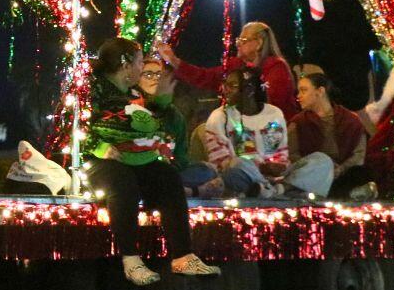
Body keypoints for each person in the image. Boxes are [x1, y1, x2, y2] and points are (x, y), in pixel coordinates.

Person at [84, 37, 220, 286]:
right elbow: (77, 125)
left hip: (135, 159)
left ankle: (183, 255)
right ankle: (131, 260)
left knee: (166, 176)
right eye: (138, 62)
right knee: (122, 183)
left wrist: (164, 99)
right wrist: (100, 146)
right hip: (100, 161)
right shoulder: (94, 89)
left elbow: (151, 119)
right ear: (126, 64)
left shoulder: (134, 94)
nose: (142, 68)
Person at [202, 68, 333, 198]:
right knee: (237, 164)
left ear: (249, 89)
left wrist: (278, 165)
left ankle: (275, 190)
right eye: (225, 85)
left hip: (276, 179)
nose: (226, 90)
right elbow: (220, 163)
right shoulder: (219, 117)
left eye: (232, 86)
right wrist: (260, 168)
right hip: (245, 175)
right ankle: (280, 191)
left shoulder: (273, 114)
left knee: (322, 160)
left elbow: (278, 152)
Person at [158, 21, 299, 118]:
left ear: (259, 43)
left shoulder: (276, 68)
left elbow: (270, 105)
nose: (237, 45)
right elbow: (206, 77)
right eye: (238, 40)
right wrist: (175, 61)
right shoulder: (235, 65)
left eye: (243, 41)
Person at [137, 57, 218, 196]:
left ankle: (175, 188)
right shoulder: (133, 110)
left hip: (172, 172)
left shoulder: (175, 115)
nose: (156, 79)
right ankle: (191, 191)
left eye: (160, 75)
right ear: (137, 80)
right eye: (149, 74)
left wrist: (173, 167)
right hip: (143, 172)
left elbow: (182, 157)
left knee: (206, 171)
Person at [291, 73, 379, 200]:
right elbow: (293, 154)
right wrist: (321, 167)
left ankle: (346, 193)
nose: (298, 96)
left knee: (360, 173)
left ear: (320, 91)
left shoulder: (350, 120)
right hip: (314, 172)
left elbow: (358, 155)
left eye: (304, 90)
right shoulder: (298, 122)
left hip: (342, 172)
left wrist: (341, 169)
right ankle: (348, 194)